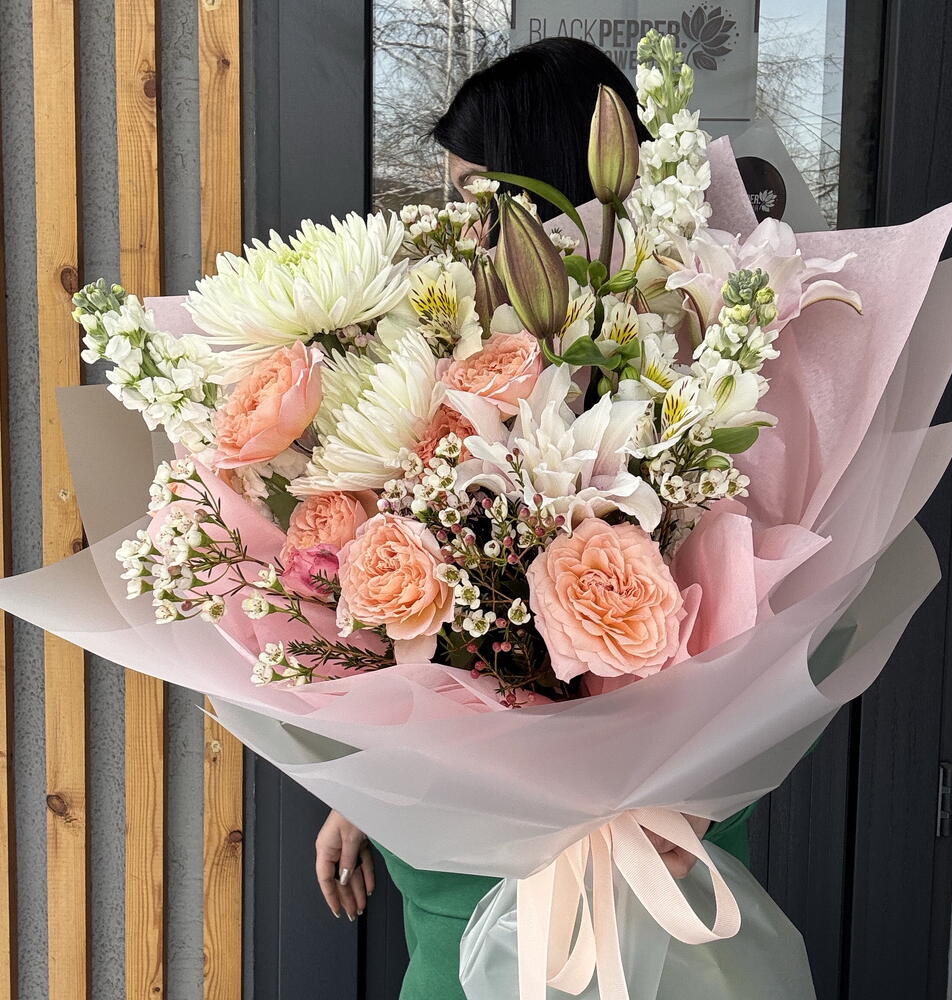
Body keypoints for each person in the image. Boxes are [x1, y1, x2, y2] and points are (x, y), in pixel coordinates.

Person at [315, 36, 758, 998]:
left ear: (560, 194)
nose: (472, 238)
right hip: (458, 867)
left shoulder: (685, 374)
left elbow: (763, 650)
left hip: (645, 863)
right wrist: (369, 786)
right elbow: (414, 624)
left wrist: (689, 796)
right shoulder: (457, 369)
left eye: (483, 203)